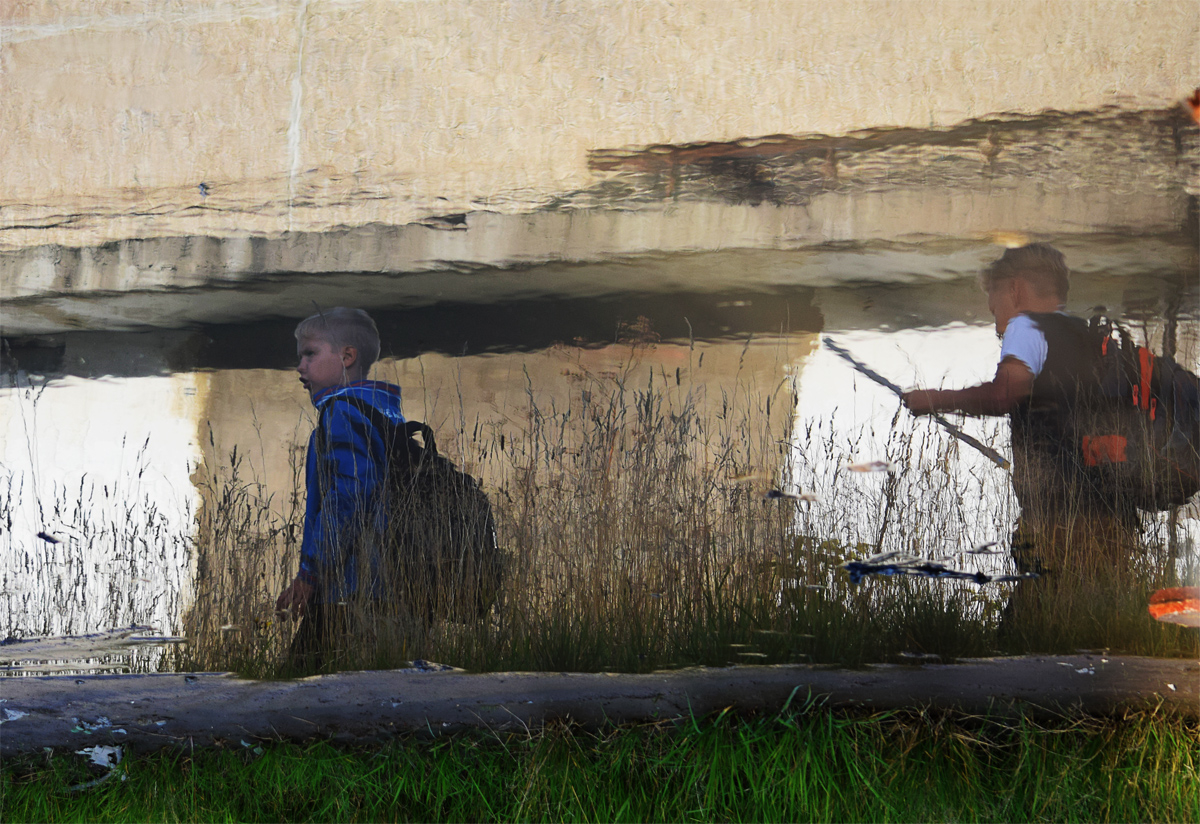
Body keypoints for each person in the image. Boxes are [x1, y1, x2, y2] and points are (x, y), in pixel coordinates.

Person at [901, 243, 1137, 572]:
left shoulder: (1027, 327)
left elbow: (1003, 396)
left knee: (1038, 612)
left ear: (1015, 290)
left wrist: (934, 400)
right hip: (1111, 515)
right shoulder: (1083, 336)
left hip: (1058, 521)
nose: (998, 326)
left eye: (996, 308)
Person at [275, 307, 404, 671]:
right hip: (384, 585)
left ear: (348, 356)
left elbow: (347, 496)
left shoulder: (342, 413)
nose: (300, 367)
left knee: (297, 692)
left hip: (346, 588)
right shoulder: (385, 413)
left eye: (310, 354)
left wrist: (310, 574)